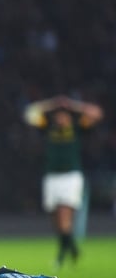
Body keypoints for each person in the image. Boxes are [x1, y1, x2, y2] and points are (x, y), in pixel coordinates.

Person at [24, 94, 103, 267]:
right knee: (56, 219)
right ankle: (73, 249)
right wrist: (52, 103)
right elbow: (29, 112)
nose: (60, 118)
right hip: (51, 176)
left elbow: (97, 113)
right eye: (58, 115)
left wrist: (73, 105)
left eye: (63, 115)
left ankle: (61, 256)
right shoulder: (48, 128)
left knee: (64, 217)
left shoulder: (76, 128)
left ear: (68, 116)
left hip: (70, 176)